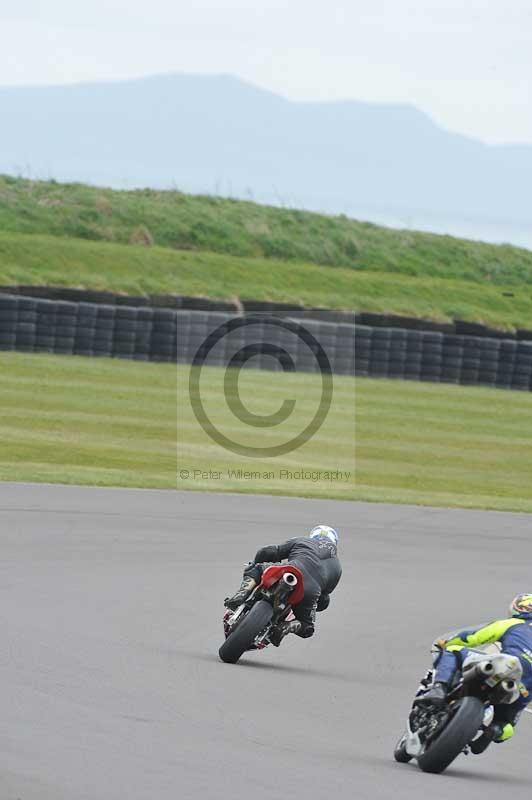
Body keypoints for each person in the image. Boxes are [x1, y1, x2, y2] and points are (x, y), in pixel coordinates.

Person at [416, 593, 532, 743]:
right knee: (507, 722)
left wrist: (448, 643)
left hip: (506, 663)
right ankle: (494, 732)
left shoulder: (514, 623)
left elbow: (473, 638)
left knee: (453, 650)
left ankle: (439, 687)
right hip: (524, 685)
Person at [224, 525, 342, 646]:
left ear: (314, 535)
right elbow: (324, 600)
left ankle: (241, 594)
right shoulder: (337, 568)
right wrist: (314, 605)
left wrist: (255, 562)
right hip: (310, 590)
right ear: (334, 542)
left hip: (288, 570)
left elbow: (269, 551)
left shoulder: (303, 540)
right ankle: (286, 627)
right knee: (307, 627)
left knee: (256, 569)